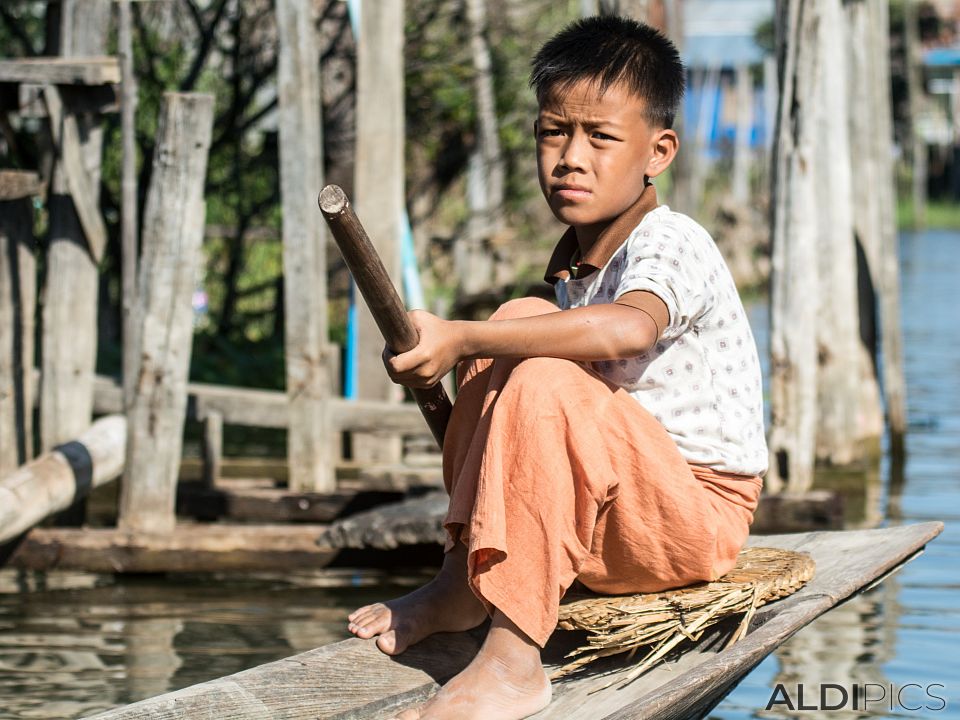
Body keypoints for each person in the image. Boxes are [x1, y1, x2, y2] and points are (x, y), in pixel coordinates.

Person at [347, 15, 767, 720]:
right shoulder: (577, 263)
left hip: (695, 515)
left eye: (601, 137)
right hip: (620, 503)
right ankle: (461, 580)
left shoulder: (672, 242)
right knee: (516, 323)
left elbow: (630, 328)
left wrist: (458, 335)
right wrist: (466, 346)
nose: (571, 157)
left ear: (657, 152)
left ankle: (514, 663)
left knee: (530, 358)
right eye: (554, 131)